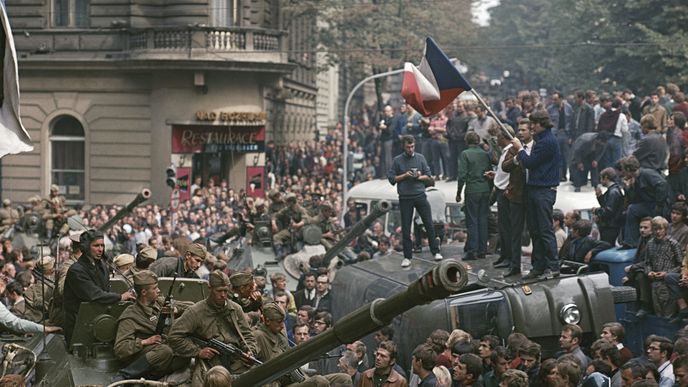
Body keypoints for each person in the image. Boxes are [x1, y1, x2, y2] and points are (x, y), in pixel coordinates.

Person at [167, 270, 258, 385]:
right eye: (219, 291)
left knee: (260, 376)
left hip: (236, 359)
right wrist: (198, 351)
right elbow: (174, 336)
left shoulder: (236, 309)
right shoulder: (195, 311)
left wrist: (250, 351)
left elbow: (247, 335)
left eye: (225, 291)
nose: (223, 295)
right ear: (209, 289)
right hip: (210, 362)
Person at [510, 110, 562, 279]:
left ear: (541, 124)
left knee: (544, 230)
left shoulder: (547, 141)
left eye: (533, 124)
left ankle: (553, 266)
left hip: (543, 190)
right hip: (535, 188)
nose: (531, 127)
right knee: (535, 230)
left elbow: (530, 163)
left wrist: (519, 149)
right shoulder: (543, 139)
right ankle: (538, 265)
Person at [112, 270, 189, 381]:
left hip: (163, 348)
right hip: (145, 355)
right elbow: (120, 349)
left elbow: (191, 308)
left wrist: (175, 310)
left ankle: (155, 376)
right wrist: (144, 342)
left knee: (185, 351)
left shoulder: (159, 302)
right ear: (144, 292)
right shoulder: (131, 316)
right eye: (155, 288)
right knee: (164, 351)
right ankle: (127, 375)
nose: (158, 291)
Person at [63, 229, 136, 344]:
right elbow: (94, 294)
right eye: (96, 245)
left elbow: (105, 289)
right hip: (80, 324)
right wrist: (120, 297)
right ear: (86, 247)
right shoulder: (76, 270)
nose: (100, 249)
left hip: (99, 319)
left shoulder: (101, 265)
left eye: (102, 245)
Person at [388, 135, 443, 268]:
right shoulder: (397, 160)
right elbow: (391, 179)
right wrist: (405, 176)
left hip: (420, 195)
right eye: (408, 147)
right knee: (406, 228)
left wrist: (419, 176)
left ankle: (435, 251)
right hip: (405, 198)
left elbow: (429, 177)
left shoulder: (421, 158)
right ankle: (407, 257)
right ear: (404, 146)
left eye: (412, 146)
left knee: (429, 224)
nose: (410, 149)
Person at [456, 131, 493, 261]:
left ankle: (472, 251)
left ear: (466, 141)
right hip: (485, 190)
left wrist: (459, 193)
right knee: (483, 219)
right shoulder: (485, 154)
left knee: (472, 221)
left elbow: (462, 176)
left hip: (472, 190)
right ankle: (482, 250)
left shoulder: (465, 154)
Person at [619, 156, 668, 248]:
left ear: (628, 169)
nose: (623, 173)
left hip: (659, 205)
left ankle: (631, 242)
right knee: (632, 209)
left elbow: (662, 185)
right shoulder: (635, 180)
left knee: (632, 209)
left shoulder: (647, 174)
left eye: (624, 170)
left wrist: (659, 204)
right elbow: (633, 200)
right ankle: (631, 242)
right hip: (649, 205)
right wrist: (629, 188)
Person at [594, 168, 625, 245]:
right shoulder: (612, 191)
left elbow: (608, 211)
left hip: (610, 226)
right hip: (610, 225)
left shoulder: (613, 192)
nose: (600, 181)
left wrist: (596, 210)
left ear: (606, 177)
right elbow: (606, 205)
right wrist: (599, 196)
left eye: (601, 178)